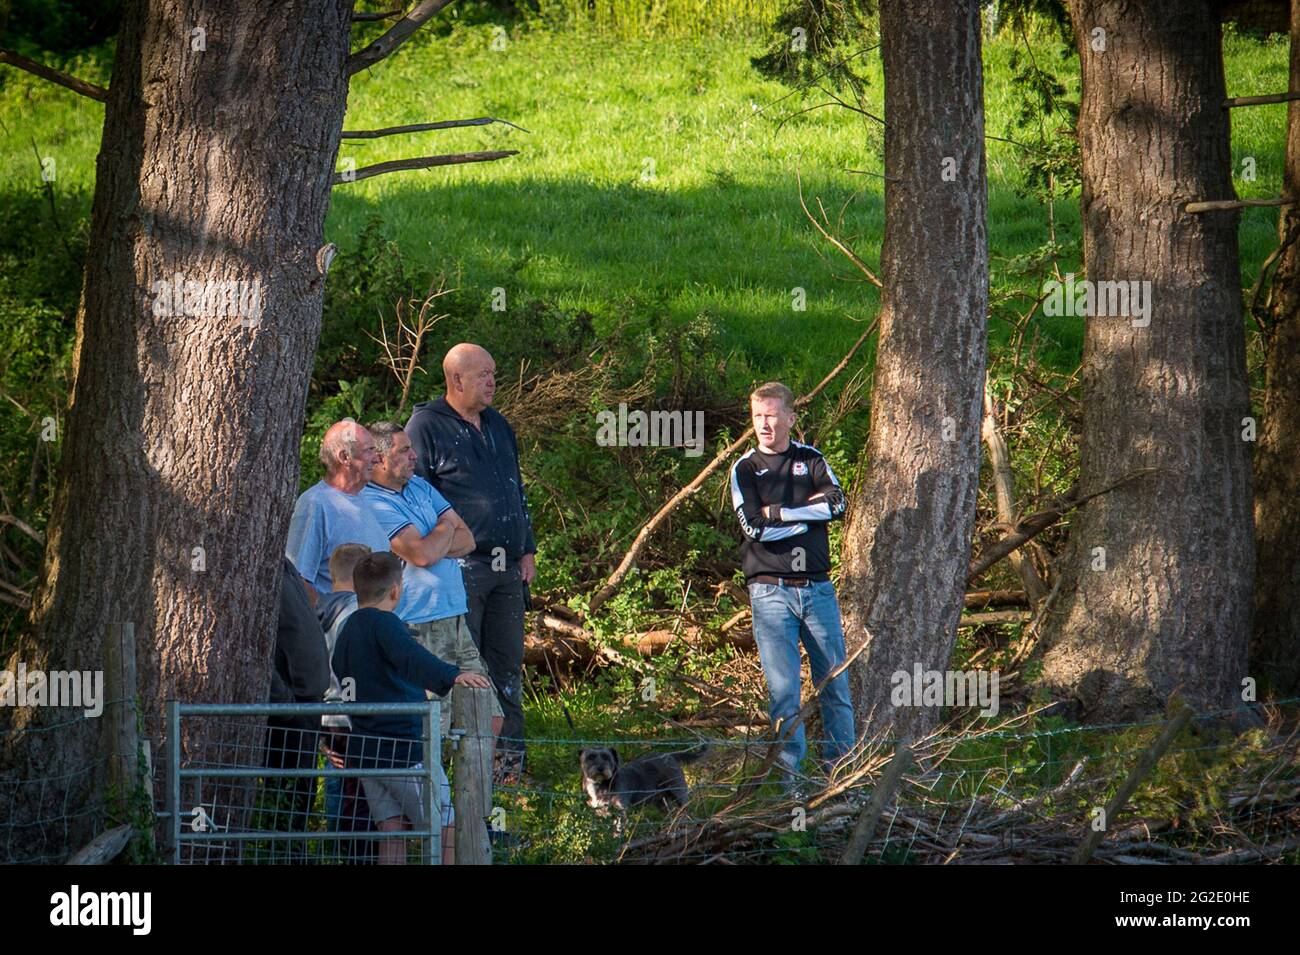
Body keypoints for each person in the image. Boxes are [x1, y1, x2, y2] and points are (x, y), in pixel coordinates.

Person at [405, 343, 535, 782]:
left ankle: (507, 770)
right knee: (466, 668)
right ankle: (458, 770)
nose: (492, 381)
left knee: (506, 667)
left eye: (494, 373)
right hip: (461, 569)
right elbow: (414, 495)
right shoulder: (426, 426)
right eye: (484, 374)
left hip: (508, 568)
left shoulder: (499, 425)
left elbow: (517, 490)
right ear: (456, 380)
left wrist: (527, 547)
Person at [729, 381, 856, 786]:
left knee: (835, 686)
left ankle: (840, 779)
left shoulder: (811, 459)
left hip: (817, 590)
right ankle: (791, 788)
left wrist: (783, 512)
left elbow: (838, 504)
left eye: (771, 415)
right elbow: (754, 528)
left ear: (790, 418)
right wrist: (808, 518)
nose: (764, 424)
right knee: (785, 694)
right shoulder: (745, 469)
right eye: (757, 417)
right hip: (770, 593)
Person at [332, 552, 492, 865]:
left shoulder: (349, 627)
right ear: (395, 590)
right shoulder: (386, 624)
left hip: (366, 749)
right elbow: (412, 657)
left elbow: (340, 667)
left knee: (392, 832)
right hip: (402, 750)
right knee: (445, 824)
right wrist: (453, 674)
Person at [361, 421, 504, 742]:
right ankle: (432, 790)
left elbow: (468, 539)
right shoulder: (373, 501)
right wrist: (444, 527)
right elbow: (421, 554)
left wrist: (437, 539)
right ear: (381, 459)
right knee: (433, 727)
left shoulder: (420, 486)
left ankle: (472, 793)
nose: (414, 456)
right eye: (404, 450)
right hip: (418, 625)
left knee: (489, 717)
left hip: (455, 617)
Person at [286, 420, 398, 607]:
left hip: (377, 626)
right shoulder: (315, 504)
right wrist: (335, 619)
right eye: (369, 450)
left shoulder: (365, 497)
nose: (377, 458)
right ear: (345, 457)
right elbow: (297, 580)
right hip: (344, 630)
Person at [266, 556, 331, 860]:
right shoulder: (261, 567)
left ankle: (294, 853)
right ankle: (281, 853)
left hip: (308, 702)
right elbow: (256, 649)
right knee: (287, 796)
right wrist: (285, 702)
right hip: (291, 708)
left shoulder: (283, 562)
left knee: (302, 794)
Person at [316, 542, 371, 847]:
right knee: (357, 789)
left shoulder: (316, 610)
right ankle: (352, 849)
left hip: (325, 712)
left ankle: (335, 843)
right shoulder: (358, 614)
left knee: (337, 780)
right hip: (352, 714)